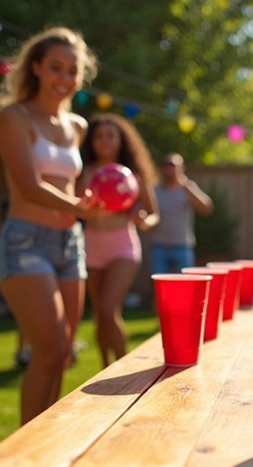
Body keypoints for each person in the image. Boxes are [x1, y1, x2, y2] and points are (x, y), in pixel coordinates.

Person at [0, 27, 101, 425]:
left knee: (63, 353)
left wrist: (93, 202)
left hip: (69, 242)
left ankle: (44, 443)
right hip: (26, 242)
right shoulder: (14, 117)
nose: (65, 78)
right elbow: (28, 186)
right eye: (56, 67)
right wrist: (78, 205)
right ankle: (25, 453)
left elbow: (71, 183)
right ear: (36, 67)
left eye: (73, 70)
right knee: (50, 348)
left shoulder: (78, 126)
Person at [78, 114, 160, 367]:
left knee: (107, 308)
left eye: (110, 136)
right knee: (100, 315)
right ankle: (104, 367)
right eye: (99, 136)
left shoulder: (132, 175)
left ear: (120, 141)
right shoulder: (84, 173)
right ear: (91, 142)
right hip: (91, 244)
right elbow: (74, 208)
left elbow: (154, 213)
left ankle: (121, 366)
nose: (104, 141)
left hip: (123, 245)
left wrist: (143, 219)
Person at [149, 154, 213, 274]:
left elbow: (207, 208)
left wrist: (188, 187)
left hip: (182, 246)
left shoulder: (188, 189)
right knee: (160, 285)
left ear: (181, 168)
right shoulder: (155, 192)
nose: (170, 169)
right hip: (159, 246)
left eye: (173, 165)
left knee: (185, 283)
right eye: (167, 165)